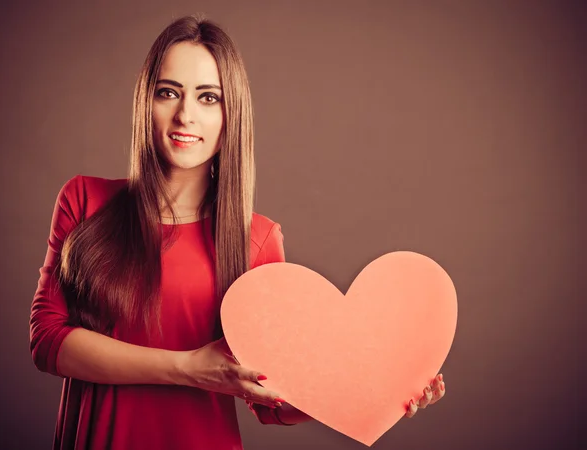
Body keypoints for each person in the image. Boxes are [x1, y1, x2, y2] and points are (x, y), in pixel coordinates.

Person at [30, 14, 445, 450]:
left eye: (209, 98)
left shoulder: (257, 240)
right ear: (144, 103)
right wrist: (187, 367)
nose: (185, 114)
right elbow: (47, 340)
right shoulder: (84, 200)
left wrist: (382, 394)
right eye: (169, 92)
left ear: (233, 116)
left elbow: (271, 401)